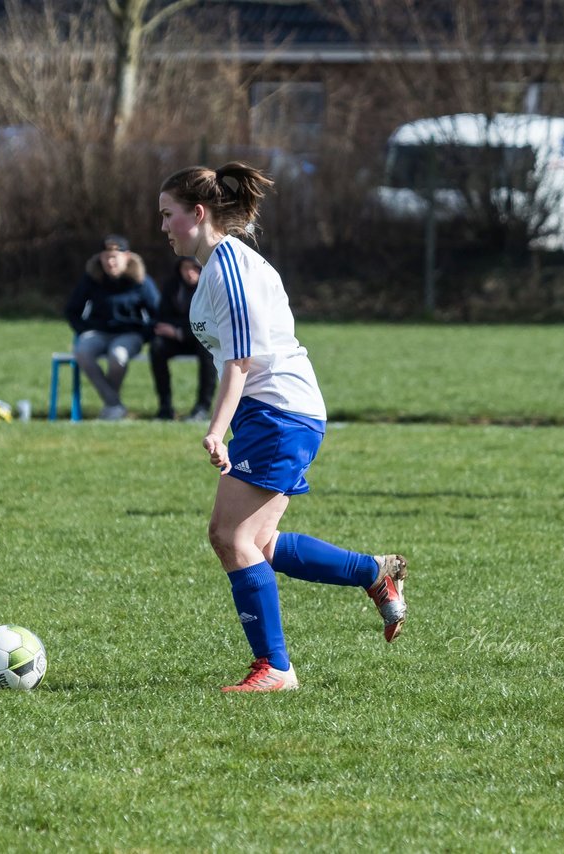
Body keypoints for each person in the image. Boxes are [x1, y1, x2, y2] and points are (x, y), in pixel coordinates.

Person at [158, 162, 408, 692]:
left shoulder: (230, 267)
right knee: (258, 542)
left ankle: (275, 668)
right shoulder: (217, 266)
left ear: (197, 214)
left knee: (231, 537)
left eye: (167, 215)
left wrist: (215, 429)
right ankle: (371, 572)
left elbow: (240, 361)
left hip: (280, 411)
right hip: (272, 412)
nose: (162, 227)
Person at [63, 234, 160, 420]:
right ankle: (114, 404)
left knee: (118, 355)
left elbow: (158, 313)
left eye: (114, 257)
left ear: (127, 257)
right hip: (98, 332)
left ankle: (112, 407)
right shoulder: (92, 279)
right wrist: (84, 330)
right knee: (82, 351)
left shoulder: (141, 281)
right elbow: (72, 310)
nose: (110, 262)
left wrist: (144, 335)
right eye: (106, 257)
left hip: (129, 334)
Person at [151, 256, 216, 420]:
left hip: (202, 339)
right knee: (157, 347)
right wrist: (177, 331)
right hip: (177, 339)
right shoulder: (172, 286)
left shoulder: (211, 287)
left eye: (194, 268)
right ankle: (165, 407)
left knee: (208, 351)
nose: (189, 273)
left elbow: (211, 322)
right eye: (185, 268)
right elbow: (162, 317)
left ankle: (202, 406)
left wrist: (179, 331)